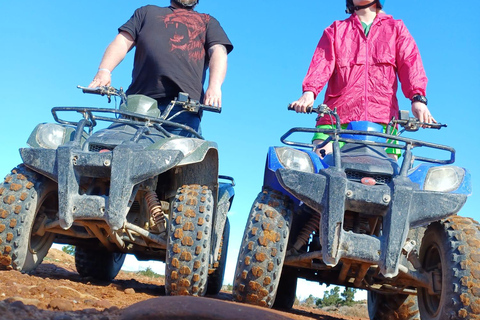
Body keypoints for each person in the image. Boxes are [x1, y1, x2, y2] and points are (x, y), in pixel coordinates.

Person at [290, 0, 435, 158]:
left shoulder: (396, 28)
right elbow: (321, 64)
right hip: (336, 119)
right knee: (318, 168)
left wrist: (418, 98)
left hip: (384, 121)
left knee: (390, 176)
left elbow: (411, 63)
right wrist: (309, 92)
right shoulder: (336, 30)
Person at [88, 0, 233, 136]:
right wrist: (104, 71)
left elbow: (218, 52)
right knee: (113, 150)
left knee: (181, 159)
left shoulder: (208, 22)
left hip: (183, 110)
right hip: (137, 105)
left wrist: (214, 86)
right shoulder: (146, 12)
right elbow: (122, 42)